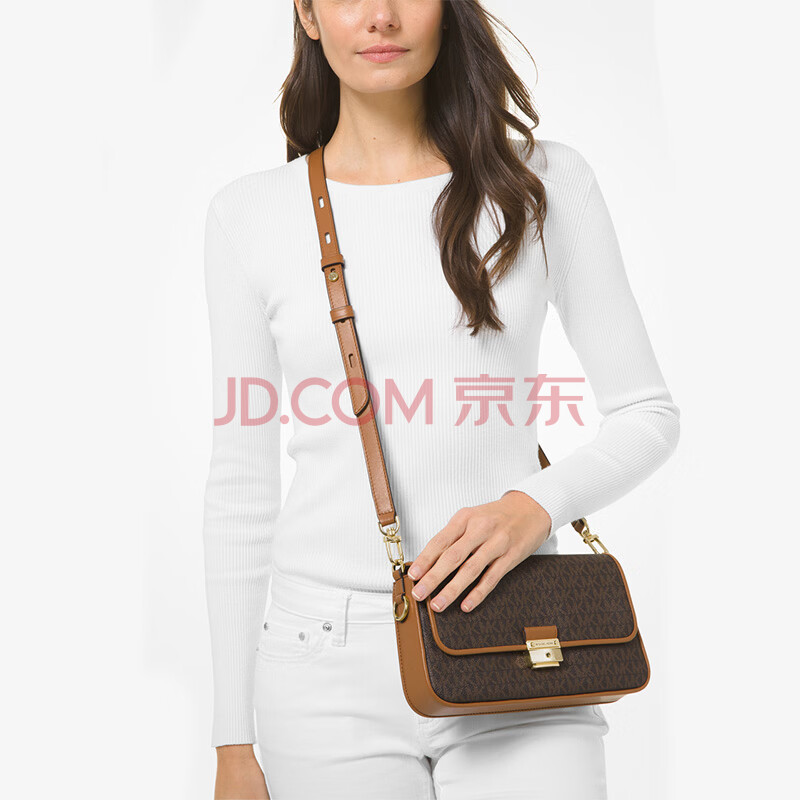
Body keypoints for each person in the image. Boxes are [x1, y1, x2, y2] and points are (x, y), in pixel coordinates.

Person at [202, 1, 680, 798]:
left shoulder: (544, 181)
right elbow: (239, 488)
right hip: (322, 664)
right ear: (308, 14)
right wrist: (230, 740)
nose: (381, 17)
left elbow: (647, 413)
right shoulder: (249, 214)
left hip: (516, 632)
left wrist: (534, 506)